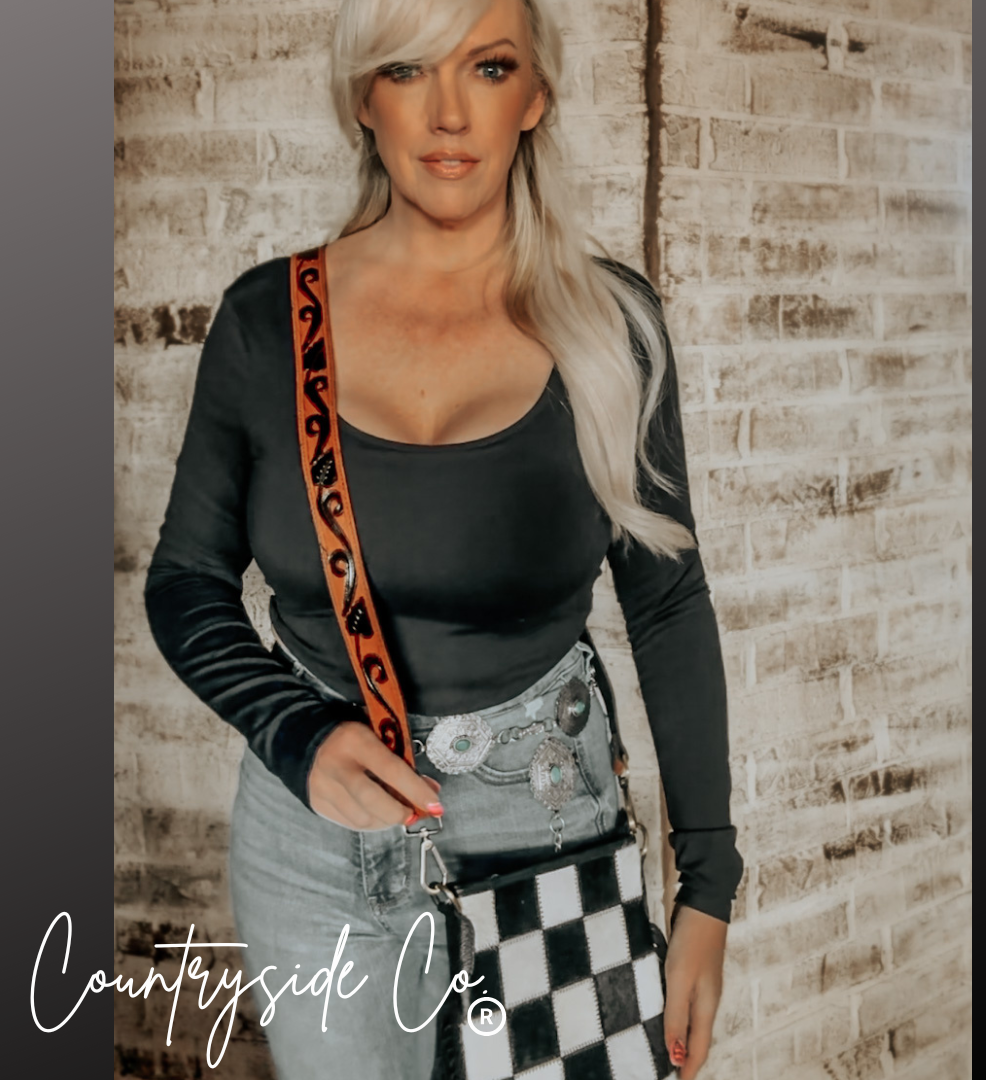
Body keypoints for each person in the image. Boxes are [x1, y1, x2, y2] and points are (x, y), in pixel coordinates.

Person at [143, 0, 743, 1077]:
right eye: (409, 70)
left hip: (544, 829)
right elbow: (186, 581)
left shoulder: (611, 326)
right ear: (363, 99)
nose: (451, 113)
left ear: (536, 95)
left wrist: (707, 888)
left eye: (490, 66)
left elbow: (666, 605)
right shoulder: (264, 322)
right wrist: (297, 735)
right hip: (311, 849)